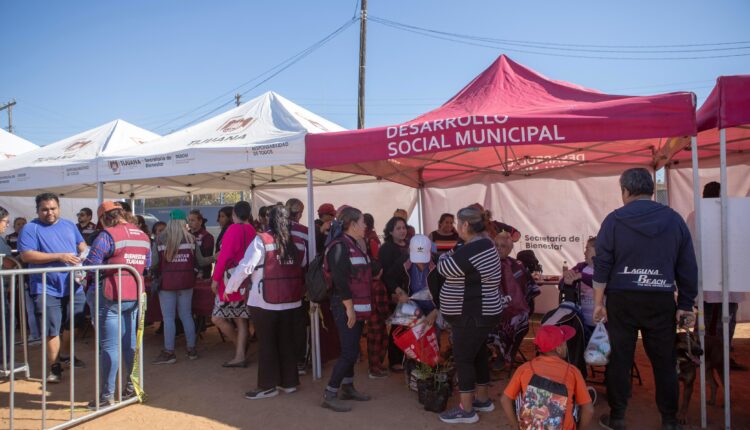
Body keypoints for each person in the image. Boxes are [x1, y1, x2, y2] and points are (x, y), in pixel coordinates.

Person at [593, 168, 698, 430]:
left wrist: (598, 302)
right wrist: (685, 303)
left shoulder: (614, 220)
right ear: (651, 190)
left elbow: (602, 264)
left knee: (620, 359)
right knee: (664, 361)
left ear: (625, 191)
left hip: (622, 299)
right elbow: (687, 266)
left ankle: (618, 418)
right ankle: (670, 421)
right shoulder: (674, 220)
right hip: (660, 298)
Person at [224, 205, 305, 399]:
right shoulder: (298, 241)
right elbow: (302, 266)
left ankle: (267, 386)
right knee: (286, 341)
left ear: (269, 220)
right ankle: (289, 382)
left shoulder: (262, 240)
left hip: (264, 301)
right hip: (292, 299)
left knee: (267, 343)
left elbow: (246, 267)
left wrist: (230, 288)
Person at [436, 206, 503, 424]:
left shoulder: (475, 248)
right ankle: (482, 400)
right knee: (478, 355)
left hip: (472, 314)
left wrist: (447, 255)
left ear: (465, 225)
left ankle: (466, 410)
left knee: (464, 358)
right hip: (481, 313)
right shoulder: (482, 244)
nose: (456, 228)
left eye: (457, 223)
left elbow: (444, 267)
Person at [83, 201, 151, 407]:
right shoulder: (144, 236)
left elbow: (91, 264)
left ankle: (106, 397)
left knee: (110, 347)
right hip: (135, 294)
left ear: (104, 218)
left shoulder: (107, 235)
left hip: (111, 294)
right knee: (130, 345)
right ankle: (131, 389)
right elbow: (146, 267)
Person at [18, 192, 88, 383]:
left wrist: (83, 249)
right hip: (45, 287)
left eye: (53, 208)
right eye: (45, 209)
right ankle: (54, 367)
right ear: (38, 210)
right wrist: (60, 256)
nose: (49, 212)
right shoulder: (30, 228)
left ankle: (65, 354)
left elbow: (80, 242)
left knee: (75, 323)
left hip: (74, 284)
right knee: (52, 329)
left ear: (59, 208)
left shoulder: (68, 225)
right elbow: (27, 256)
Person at [321, 206, 373, 412]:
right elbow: (340, 281)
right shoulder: (339, 246)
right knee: (350, 352)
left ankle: (348, 387)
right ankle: (330, 392)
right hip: (345, 306)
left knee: (353, 350)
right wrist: (350, 309)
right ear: (352, 224)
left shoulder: (354, 243)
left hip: (356, 306)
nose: (366, 225)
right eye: (362, 221)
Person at [500, 325, 594, 430]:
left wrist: (516, 426)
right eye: (564, 343)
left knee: (519, 395)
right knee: (577, 404)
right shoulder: (573, 371)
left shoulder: (524, 368)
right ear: (559, 348)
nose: (566, 346)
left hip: (531, 427)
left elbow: (505, 400)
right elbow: (589, 410)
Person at [698, 181, 747, 371]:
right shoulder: (731, 217)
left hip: (713, 281)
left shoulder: (697, 216)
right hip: (722, 279)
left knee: (708, 320)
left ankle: (707, 356)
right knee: (722, 322)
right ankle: (717, 357)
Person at [152, 210, 202, 364]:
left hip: (167, 283)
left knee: (168, 319)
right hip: (187, 282)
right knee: (186, 315)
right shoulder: (191, 239)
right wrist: (215, 256)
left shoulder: (160, 239)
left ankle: (169, 352)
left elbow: (153, 263)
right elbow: (201, 261)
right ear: (183, 222)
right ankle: (191, 349)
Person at [211, 201, 256, 367]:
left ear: (235, 214)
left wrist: (215, 279)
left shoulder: (232, 230)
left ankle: (240, 350)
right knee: (241, 319)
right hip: (247, 280)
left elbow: (224, 257)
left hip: (230, 282)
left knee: (217, 318)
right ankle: (240, 353)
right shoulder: (252, 230)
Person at [491, 228, 540, 371]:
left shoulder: (517, 266)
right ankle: (496, 352)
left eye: (503, 246)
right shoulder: (486, 265)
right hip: (492, 309)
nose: (499, 249)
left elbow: (529, 289)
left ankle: (509, 354)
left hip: (515, 310)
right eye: (496, 246)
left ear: (510, 249)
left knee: (521, 319)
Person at [378, 216, 410, 371]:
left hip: (411, 291)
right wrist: (395, 291)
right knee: (399, 326)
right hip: (396, 292)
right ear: (390, 231)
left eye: (404, 227)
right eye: (398, 228)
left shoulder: (410, 245)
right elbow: (385, 274)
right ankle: (395, 360)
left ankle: (409, 356)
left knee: (412, 325)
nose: (402, 231)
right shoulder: (386, 248)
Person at [285, 198, 310, 375]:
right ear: (300, 213)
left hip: (276, 284)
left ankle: (285, 360)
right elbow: (310, 260)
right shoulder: (304, 232)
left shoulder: (272, 230)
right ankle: (299, 360)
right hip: (298, 283)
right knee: (298, 322)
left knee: (282, 322)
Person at [559, 237, 597, 338]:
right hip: (581, 322)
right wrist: (566, 280)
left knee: (600, 352)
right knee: (581, 350)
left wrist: (581, 276)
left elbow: (604, 283)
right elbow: (561, 286)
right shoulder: (581, 267)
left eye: (587, 249)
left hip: (602, 324)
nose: (584, 253)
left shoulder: (608, 268)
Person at [188, 209, 214, 278]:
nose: (190, 223)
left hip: (202, 274)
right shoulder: (186, 234)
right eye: (189, 220)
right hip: (188, 272)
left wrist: (201, 271)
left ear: (200, 221)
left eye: (192, 220)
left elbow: (207, 256)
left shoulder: (207, 236)